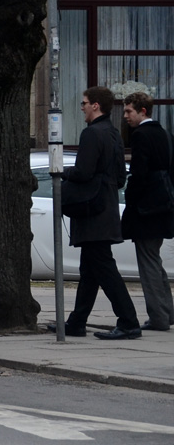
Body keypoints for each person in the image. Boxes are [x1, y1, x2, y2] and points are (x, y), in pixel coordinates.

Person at [50, 86, 141, 340]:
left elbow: (83, 173)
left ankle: (129, 321)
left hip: (93, 212)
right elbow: (121, 177)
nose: (82, 107)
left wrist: (61, 172)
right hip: (106, 207)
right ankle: (76, 322)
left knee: (103, 267)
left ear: (96, 106)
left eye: (84, 103)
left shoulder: (91, 134)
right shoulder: (113, 134)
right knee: (90, 270)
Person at [121, 91, 174, 332]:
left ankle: (159, 317)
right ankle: (167, 313)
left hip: (146, 209)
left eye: (128, 111)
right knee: (155, 259)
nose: (125, 117)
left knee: (148, 263)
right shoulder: (164, 133)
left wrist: (130, 198)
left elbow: (139, 173)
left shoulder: (141, 135)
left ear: (143, 111)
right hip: (163, 206)